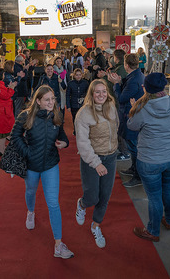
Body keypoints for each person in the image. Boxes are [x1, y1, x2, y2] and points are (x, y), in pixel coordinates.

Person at [11, 85, 74, 259]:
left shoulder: (56, 116)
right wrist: (28, 153)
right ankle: (30, 212)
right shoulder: (25, 115)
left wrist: (64, 143)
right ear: (38, 101)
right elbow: (15, 136)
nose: (51, 102)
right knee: (30, 191)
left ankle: (58, 244)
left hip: (51, 165)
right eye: (47, 99)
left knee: (53, 203)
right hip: (32, 166)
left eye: (53, 99)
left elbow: (64, 137)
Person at [127, 73, 170, 242]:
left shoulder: (142, 108)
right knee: (168, 188)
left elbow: (132, 126)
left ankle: (153, 230)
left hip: (150, 159)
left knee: (154, 196)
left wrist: (134, 106)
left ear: (146, 88)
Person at [75, 79, 118, 249]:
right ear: (91, 94)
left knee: (105, 197)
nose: (101, 95)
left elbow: (115, 130)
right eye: (97, 92)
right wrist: (96, 163)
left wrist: (114, 150)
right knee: (93, 197)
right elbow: (83, 143)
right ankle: (81, 204)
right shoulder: (84, 114)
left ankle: (96, 226)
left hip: (111, 157)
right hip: (92, 160)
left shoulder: (112, 107)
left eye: (104, 91)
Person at [108, 53, 144, 188]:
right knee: (133, 146)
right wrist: (121, 81)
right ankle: (134, 169)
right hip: (132, 115)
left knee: (134, 148)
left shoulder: (134, 80)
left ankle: (138, 175)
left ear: (126, 65)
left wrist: (116, 84)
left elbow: (121, 98)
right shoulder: (136, 76)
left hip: (130, 116)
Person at [0, 68, 17, 156]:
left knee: (3, 131)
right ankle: (2, 151)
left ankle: (3, 148)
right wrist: (12, 88)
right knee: (2, 133)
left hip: (1, 111)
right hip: (2, 113)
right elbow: (6, 95)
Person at [66, 68, 89, 135]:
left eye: (79, 75)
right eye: (77, 75)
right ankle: (76, 130)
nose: (78, 76)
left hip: (83, 104)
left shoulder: (85, 83)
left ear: (82, 75)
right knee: (75, 118)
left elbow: (88, 94)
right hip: (73, 104)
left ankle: (82, 130)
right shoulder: (70, 84)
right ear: (74, 75)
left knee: (83, 118)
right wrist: (68, 106)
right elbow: (67, 95)